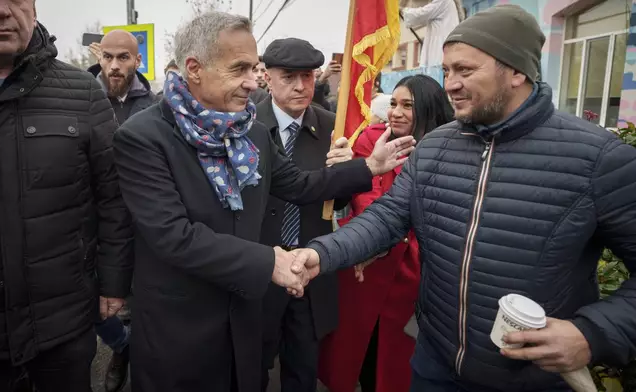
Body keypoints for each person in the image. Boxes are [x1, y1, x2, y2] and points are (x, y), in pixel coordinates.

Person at [291, 5, 636, 391]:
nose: (450, 84)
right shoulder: (436, 146)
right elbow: (387, 217)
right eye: (448, 71)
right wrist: (321, 254)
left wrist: (592, 334)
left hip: (533, 382)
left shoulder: (598, 157)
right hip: (433, 368)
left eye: (466, 71)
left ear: (517, 71)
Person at [111, 11, 415, 392]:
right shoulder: (142, 137)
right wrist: (270, 261)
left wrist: (369, 167)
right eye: (240, 69)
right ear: (194, 68)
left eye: (254, 69)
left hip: (243, 314)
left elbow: (300, 184)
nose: (252, 81)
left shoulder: (250, 132)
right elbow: (174, 236)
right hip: (182, 324)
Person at [0, 1, 133, 391]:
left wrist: (114, 283)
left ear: (34, 11)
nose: (0, 10)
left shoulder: (82, 91)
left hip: (64, 327)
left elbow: (113, 197)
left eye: (15, 0)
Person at [318, 76, 454, 392]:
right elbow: (367, 195)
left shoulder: (448, 149)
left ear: (429, 109)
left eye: (408, 105)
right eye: (393, 103)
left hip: (416, 272)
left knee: (398, 362)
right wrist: (377, 235)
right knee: (356, 352)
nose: (396, 112)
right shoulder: (372, 138)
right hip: (364, 264)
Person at [255, 37, 348, 392]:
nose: (300, 86)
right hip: (260, 269)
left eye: (307, 76)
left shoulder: (332, 128)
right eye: (289, 76)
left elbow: (337, 206)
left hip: (310, 270)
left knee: (302, 369)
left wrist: (344, 177)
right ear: (267, 76)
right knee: (252, 367)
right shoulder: (245, 124)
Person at [89, 29, 159, 392]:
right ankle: (121, 347)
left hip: (142, 224)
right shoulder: (78, 99)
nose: (114, 66)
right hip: (92, 224)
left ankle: (140, 359)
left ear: (137, 60)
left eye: (123, 58)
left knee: (141, 305)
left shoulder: (157, 105)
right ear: (99, 57)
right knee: (96, 309)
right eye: (108, 57)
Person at [400, 0, 463, 70]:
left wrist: (402, 10)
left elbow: (422, 14)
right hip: (443, 49)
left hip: (439, 52)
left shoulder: (443, 1)